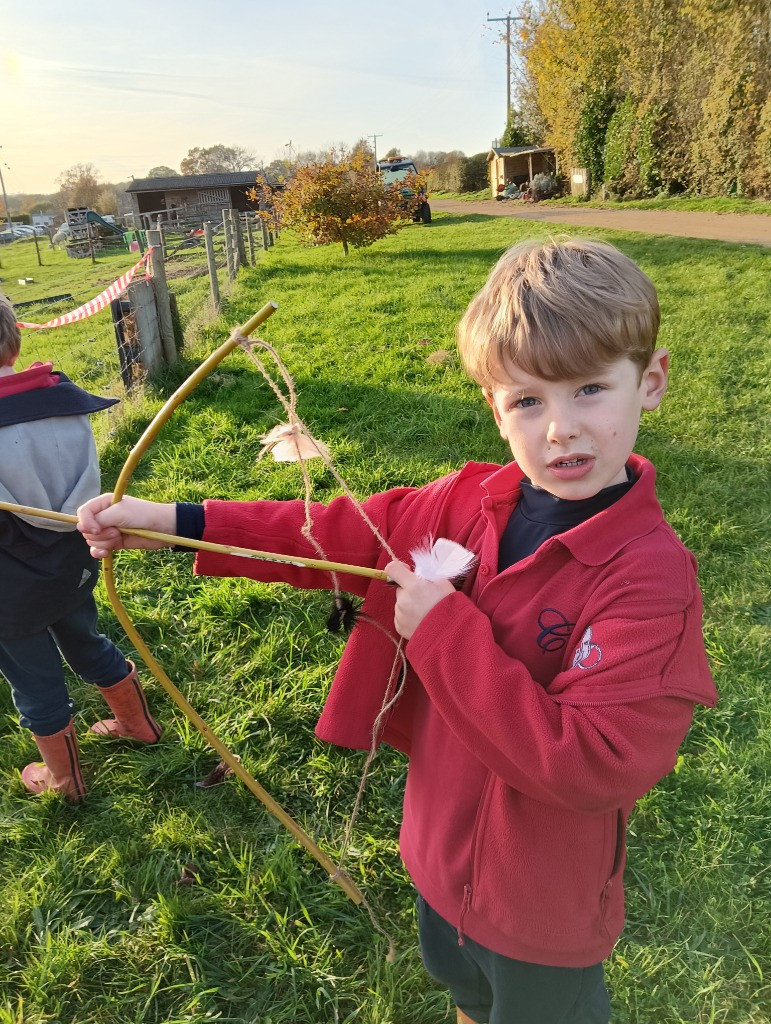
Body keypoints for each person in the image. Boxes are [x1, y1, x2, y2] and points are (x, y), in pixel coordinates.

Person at [78, 239, 717, 1024]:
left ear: (647, 383)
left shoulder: (647, 579)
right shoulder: (463, 501)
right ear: (492, 404)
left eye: (589, 390)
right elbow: (330, 534)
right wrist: (175, 525)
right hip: (437, 860)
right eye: (526, 400)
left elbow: (595, 763)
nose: (558, 430)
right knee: (464, 998)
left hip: (543, 908)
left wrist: (444, 632)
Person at [0, 296, 161, 803]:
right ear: (14, 339)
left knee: (34, 680)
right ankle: (141, 727)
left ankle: (66, 784)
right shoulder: (62, 401)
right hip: (73, 563)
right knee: (87, 641)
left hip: (10, 591)